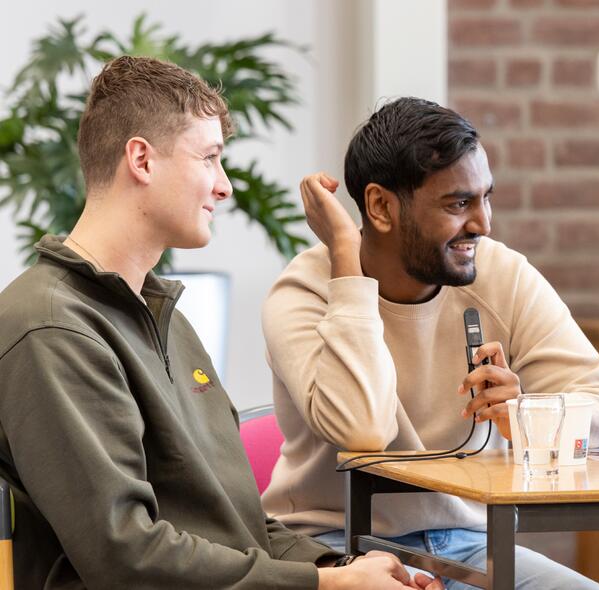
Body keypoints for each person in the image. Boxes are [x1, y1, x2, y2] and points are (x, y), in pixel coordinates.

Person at [0, 56, 440, 590]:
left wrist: (341, 568)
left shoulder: (167, 322)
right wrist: (327, 587)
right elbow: (124, 556)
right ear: (141, 159)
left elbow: (238, 527)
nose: (224, 186)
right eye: (209, 158)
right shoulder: (51, 328)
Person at [260, 97, 599, 589]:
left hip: (472, 540)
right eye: (458, 203)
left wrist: (530, 411)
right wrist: (347, 263)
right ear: (380, 206)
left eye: (486, 198)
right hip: (334, 544)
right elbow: (362, 430)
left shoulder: (502, 275)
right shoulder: (304, 293)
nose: (483, 223)